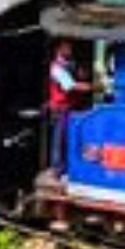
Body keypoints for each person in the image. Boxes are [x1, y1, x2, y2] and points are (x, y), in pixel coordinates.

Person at [48, 41, 88, 170]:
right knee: (59, 140)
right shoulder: (56, 68)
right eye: (68, 48)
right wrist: (93, 87)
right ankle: (57, 168)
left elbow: (80, 75)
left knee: (68, 137)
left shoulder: (69, 64)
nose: (71, 51)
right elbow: (70, 86)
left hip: (70, 107)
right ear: (59, 50)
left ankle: (67, 166)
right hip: (60, 108)